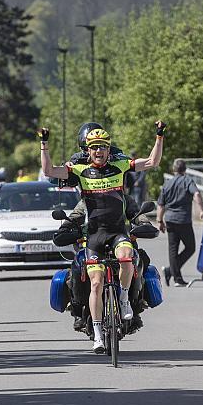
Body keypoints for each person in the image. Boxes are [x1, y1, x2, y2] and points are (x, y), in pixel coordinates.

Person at [40, 120, 165, 353]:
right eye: (94, 147)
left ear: (109, 149)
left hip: (118, 232)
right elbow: (48, 171)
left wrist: (159, 136)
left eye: (103, 147)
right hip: (94, 237)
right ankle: (97, 334)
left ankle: (125, 298)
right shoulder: (79, 170)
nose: (99, 151)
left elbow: (152, 162)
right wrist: (44, 144)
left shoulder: (119, 165)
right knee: (95, 283)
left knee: (128, 257)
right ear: (87, 150)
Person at [55, 194, 153, 333]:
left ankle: (135, 306)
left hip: (121, 245)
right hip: (92, 246)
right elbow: (75, 216)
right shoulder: (86, 201)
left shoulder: (125, 199)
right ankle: (79, 312)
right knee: (77, 268)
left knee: (139, 261)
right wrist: (65, 228)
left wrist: (144, 225)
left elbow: (136, 215)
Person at [157, 158, 203, 287]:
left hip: (170, 220)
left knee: (173, 249)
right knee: (190, 247)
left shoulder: (167, 184)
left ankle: (171, 271)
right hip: (183, 220)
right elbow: (196, 194)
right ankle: (176, 277)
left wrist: (159, 221)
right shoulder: (187, 181)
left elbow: (161, 205)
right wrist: (201, 209)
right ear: (185, 169)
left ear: (174, 170)